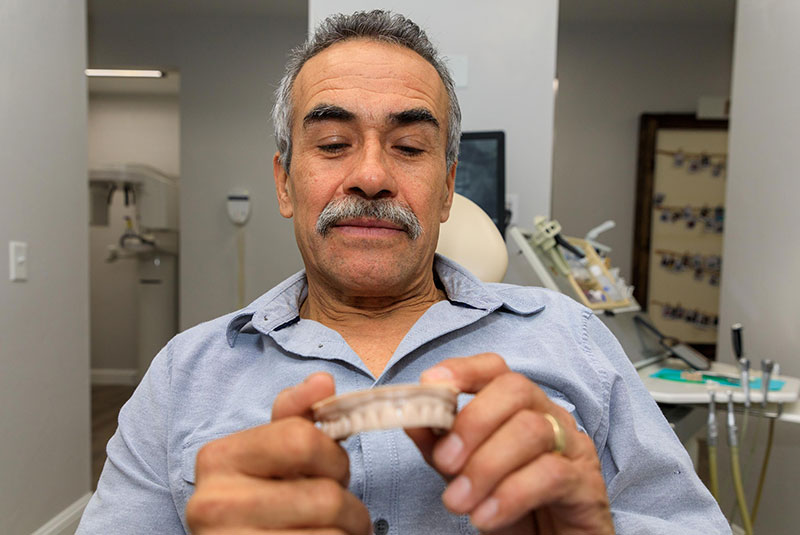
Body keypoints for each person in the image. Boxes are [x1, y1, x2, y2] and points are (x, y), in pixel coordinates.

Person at [78, 10, 730, 535]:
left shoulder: (573, 338)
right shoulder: (182, 376)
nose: (370, 175)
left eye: (410, 147)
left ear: (448, 188)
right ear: (284, 183)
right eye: (333, 144)